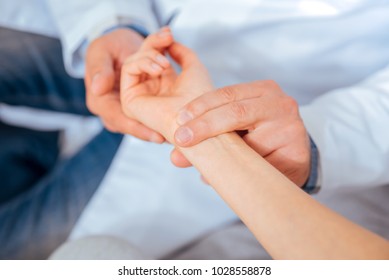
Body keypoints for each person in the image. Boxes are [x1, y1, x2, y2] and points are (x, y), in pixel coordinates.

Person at [78, 0, 389, 259]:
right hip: (150, 38)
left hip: (298, 107)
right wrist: (112, 23)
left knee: (83, 254)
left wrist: (200, 131)